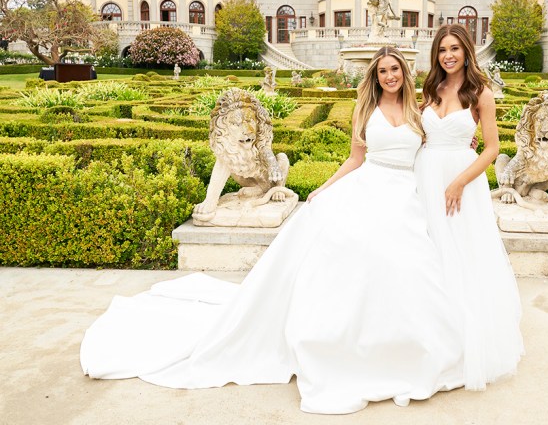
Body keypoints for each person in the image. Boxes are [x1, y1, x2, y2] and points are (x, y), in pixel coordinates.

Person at [80, 46, 466, 415]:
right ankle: (345, 341)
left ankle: (404, 345)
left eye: (394, 69)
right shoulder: (365, 109)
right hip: (369, 186)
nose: (389, 76)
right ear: (375, 77)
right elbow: (355, 158)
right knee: (350, 250)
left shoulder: (421, 111)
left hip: (406, 197)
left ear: (404, 72)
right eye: (382, 71)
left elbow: (435, 154)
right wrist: (325, 187)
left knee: (410, 265)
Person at [415, 24, 524, 390]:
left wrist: (460, 181)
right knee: (429, 250)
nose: (448, 55)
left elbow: (492, 148)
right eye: (443, 49)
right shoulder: (430, 90)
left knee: (462, 253)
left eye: (455, 49)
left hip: (461, 182)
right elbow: (417, 132)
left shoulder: (481, 93)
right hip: (426, 175)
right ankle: (430, 329)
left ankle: (465, 336)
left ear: (466, 52)